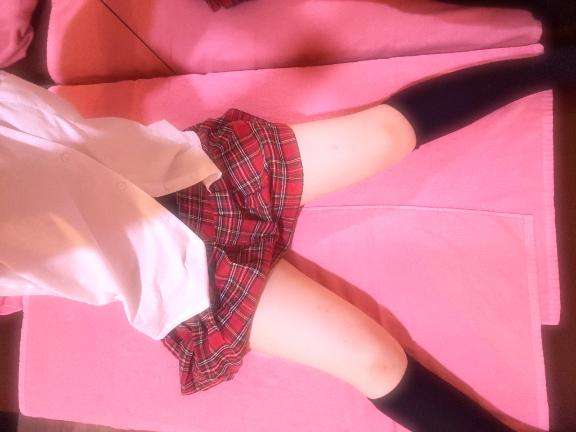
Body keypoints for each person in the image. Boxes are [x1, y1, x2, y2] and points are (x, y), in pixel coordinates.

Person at [0, 2, 573, 432]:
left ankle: (555, 67)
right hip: (175, 277)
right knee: (374, 361)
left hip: (191, 169)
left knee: (385, 133)